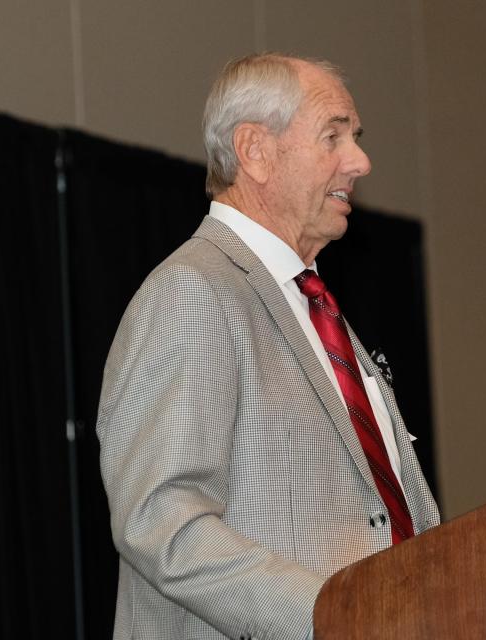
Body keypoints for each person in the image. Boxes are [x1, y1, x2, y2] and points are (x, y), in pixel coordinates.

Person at [96, 53, 440, 640]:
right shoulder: (195, 290)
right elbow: (161, 522)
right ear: (255, 150)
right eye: (333, 135)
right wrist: (338, 614)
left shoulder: (318, 312)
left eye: (354, 138)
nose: (360, 161)